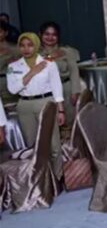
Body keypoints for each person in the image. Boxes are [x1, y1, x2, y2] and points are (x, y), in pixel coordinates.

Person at [7, 33, 65, 177]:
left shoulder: (48, 63)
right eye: (22, 45)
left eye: (30, 45)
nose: (26, 49)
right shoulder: (13, 66)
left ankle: (58, 177)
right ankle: (41, 179)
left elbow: (57, 87)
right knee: (33, 145)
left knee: (53, 144)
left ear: (37, 46)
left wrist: (61, 110)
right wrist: (32, 72)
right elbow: (12, 89)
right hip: (24, 105)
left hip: (46, 102)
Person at [39, 22, 81, 124]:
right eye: (47, 34)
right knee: (51, 121)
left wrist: (75, 91)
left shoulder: (66, 51)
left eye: (54, 35)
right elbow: (39, 67)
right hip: (47, 91)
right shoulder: (35, 53)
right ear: (40, 34)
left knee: (70, 120)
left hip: (66, 88)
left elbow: (74, 71)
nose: (50, 37)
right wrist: (50, 57)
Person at [0, 22, 20, 104]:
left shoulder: (15, 49)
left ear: (6, 33)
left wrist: (10, 68)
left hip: (9, 85)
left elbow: (21, 70)